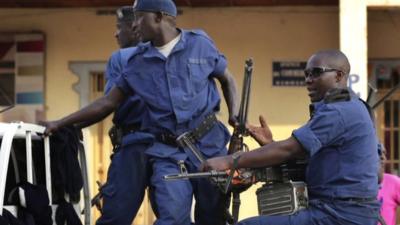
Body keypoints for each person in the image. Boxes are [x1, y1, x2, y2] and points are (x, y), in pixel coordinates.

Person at [42, 0, 238, 225]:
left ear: (158, 17)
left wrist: (236, 117)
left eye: (138, 17)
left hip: (209, 146)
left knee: (212, 217)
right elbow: (107, 103)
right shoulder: (136, 63)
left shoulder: (200, 43)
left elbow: (227, 79)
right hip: (168, 153)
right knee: (172, 218)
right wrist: (62, 123)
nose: (134, 25)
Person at [202, 50, 381, 225]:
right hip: (347, 211)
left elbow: (288, 149)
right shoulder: (354, 106)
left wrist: (229, 160)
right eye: (307, 74)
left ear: (339, 76)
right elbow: (305, 156)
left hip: (337, 214)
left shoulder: (338, 112)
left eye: (317, 73)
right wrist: (271, 145)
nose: (308, 80)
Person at [46, 6, 152, 225]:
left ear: (134, 28)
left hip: (133, 149)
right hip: (168, 149)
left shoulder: (121, 58)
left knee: (113, 218)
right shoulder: (164, 57)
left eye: (118, 27)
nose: (115, 34)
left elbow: (106, 105)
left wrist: (62, 124)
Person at [378, 144, 400, 225]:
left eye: (384, 153)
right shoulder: (354, 183)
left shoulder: (393, 182)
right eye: (378, 152)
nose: (383, 158)